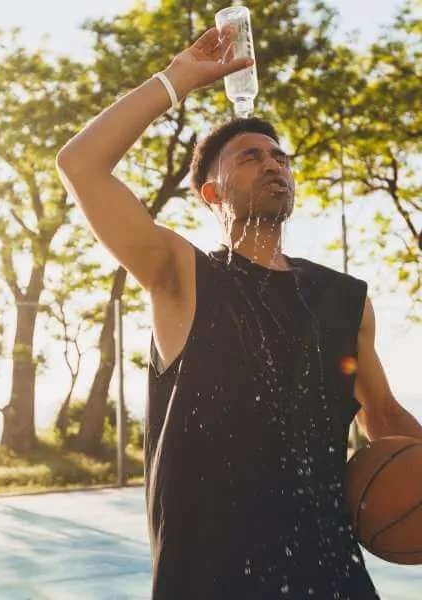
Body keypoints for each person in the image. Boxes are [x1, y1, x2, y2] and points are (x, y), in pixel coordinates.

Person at [56, 25, 422, 600]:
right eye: (250, 157)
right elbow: (80, 164)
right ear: (210, 193)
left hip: (332, 579)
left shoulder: (344, 298)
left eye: (280, 157)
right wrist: (176, 80)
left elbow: (382, 413)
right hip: (210, 579)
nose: (274, 164)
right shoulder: (183, 276)